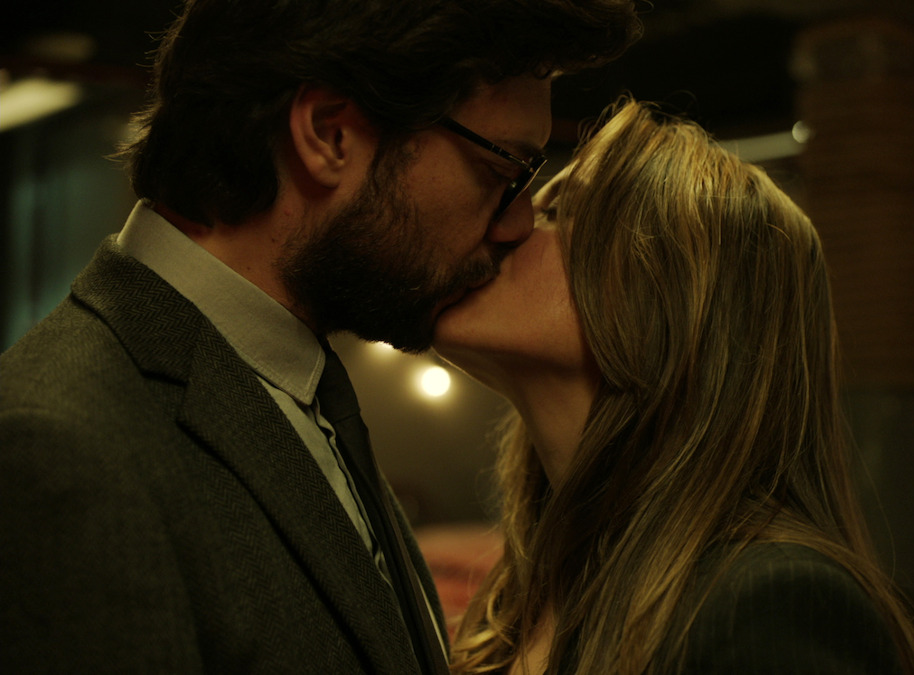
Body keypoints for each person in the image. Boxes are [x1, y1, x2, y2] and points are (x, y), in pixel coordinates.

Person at [0, 1, 640, 672]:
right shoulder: (60, 451)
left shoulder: (297, 385)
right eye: (502, 170)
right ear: (328, 135)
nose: (515, 225)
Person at [432, 98, 914, 674]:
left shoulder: (771, 602)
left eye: (561, 212)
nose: (510, 224)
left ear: (673, 301)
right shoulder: (523, 596)